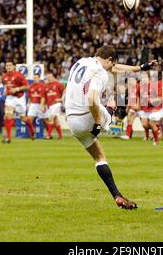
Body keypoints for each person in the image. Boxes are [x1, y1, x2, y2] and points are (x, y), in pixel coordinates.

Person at [64, 45, 156, 210]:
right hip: (88, 116)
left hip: (72, 120)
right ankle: (110, 111)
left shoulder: (81, 62)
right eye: (112, 64)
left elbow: (115, 68)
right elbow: (92, 99)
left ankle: (117, 196)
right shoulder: (99, 72)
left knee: (99, 157)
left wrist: (140, 68)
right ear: (110, 60)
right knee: (112, 100)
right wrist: (98, 122)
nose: (112, 69)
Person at [2, 61, 35, 143]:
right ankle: (8, 137)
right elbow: (6, 86)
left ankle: (31, 129)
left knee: (23, 118)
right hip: (10, 98)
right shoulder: (5, 77)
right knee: (8, 115)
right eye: (7, 65)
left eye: (10, 65)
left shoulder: (19, 75)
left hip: (20, 98)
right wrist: (5, 91)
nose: (8, 67)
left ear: (13, 67)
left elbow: (27, 86)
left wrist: (16, 89)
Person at [41, 72, 65, 139]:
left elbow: (65, 93)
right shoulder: (45, 86)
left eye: (50, 77)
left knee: (51, 118)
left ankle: (48, 135)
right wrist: (42, 106)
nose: (49, 78)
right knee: (55, 120)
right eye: (47, 77)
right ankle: (60, 136)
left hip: (57, 104)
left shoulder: (58, 84)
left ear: (53, 77)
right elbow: (43, 97)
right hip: (50, 105)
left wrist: (60, 99)